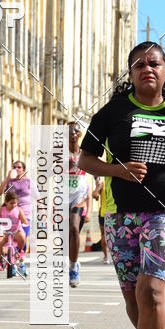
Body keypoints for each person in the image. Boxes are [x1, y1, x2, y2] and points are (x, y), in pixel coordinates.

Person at [78, 40, 165, 329]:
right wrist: (118, 171)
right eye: (139, 65)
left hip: (163, 215)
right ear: (130, 75)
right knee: (133, 299)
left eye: (155, 63)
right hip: (120, 215)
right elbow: (85, 159)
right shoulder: (113, 112)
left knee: (154, 291)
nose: (147, 68)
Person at [68, 121, 90, 287]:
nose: (72, 133)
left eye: (75, 131)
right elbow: (44, 173)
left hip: (78, 197)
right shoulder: (58, 153)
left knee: (75, 229)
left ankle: (74, 267)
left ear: (80, 134)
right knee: (66, 237)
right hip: (61, 197)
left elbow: (95, 175)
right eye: (68, 131)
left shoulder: (85, 153)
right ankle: (71, 260)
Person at [0, 160, 33, 249]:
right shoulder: (10, 182)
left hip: (25, 214)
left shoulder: (28, 182)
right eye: (14, 167)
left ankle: (20, 256)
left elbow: (38, 197)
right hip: (10, 214)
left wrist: (42, 211)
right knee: (8, 238)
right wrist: (8, 178)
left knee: (22, 236)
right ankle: (11, 256)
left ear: (23, 170)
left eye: (19, 167)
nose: (16, 169)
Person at [0, 190, 27, 274]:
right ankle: (0, 261)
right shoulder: (2, 210)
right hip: (5, 232)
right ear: (6, 202)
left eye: (15, 203)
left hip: (15, 231)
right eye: (11, 203)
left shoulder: (19, 210)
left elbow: (24, 220)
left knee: (22, 236)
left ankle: (20, 251)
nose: (14, 205)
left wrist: (25, 223)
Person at [92, 177, 110, 263]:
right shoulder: (102, 183)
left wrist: (97, 189)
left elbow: (95, 195)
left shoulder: (102, 183)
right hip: (115, 212)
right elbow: (95, 195)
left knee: (104, 235)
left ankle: (106, 257)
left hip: (104, 212)